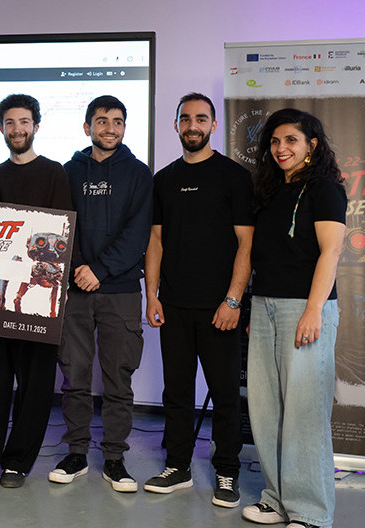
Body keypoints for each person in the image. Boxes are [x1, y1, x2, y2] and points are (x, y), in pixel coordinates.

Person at [0, 94, 72, 490]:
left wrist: (61, 286)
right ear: (3, 128)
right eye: (10, 123)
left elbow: (63, 232)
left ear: (36, 126)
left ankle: (17, 463)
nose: (17, 129)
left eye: (24, 122)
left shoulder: (55, 173)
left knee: (36, 385)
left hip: (41, 295)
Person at [143, 93, 252, 508]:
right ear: (176, 125)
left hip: (219, 307)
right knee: (176, 392)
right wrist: (151, 296)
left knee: (225, 393)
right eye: (186, 118)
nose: (193, 125)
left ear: (213, 126)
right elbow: (155, 241)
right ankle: (177, 466)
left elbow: (246, 243)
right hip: (173, 304)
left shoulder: (234, 176)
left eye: (201, 119)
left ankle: (227, 471)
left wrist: (233, 300)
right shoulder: (163, 180)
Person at [242, 109, 346, 528]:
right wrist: (255, 309)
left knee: (305, 412)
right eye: (274, 142)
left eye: (291, 140)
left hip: (305, 307)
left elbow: (331, 252)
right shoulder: (269, 190)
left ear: (311, 145)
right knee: (266, 410)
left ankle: (310, 512)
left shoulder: (325, 189)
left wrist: (313, 310)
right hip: (265, 306)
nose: (281, 149)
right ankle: (276, 499)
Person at [50, 95, 152, 492]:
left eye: (118, 121)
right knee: (74, 376)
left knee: (118, 379)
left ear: (124, 127)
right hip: (76, 289)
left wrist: (101, 269)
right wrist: (80, 268)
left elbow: (138, 232)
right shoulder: (69, 171)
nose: (110, 128)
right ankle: (76, 452)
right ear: (87, 126)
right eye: (102, 120)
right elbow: (62, 224)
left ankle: (114, 458)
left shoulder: (139, 174)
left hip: (121, 290)